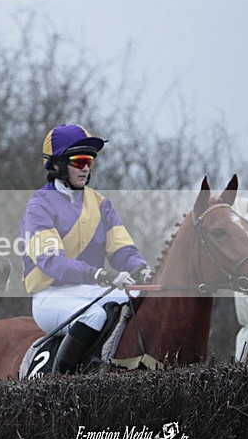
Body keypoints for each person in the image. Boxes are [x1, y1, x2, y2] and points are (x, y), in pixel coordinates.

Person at [19, 124, 151, 373]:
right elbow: (51, 261)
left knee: (138, 302)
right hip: (52, 295)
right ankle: (61, 381)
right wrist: (99, 274)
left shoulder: (101, 204)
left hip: (92, 291)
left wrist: (142, 269)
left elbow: (123, 250)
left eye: (89, 160)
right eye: (79, 161)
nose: (87, 167)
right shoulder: (39, 206)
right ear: (57, 164)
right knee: (93, 317)